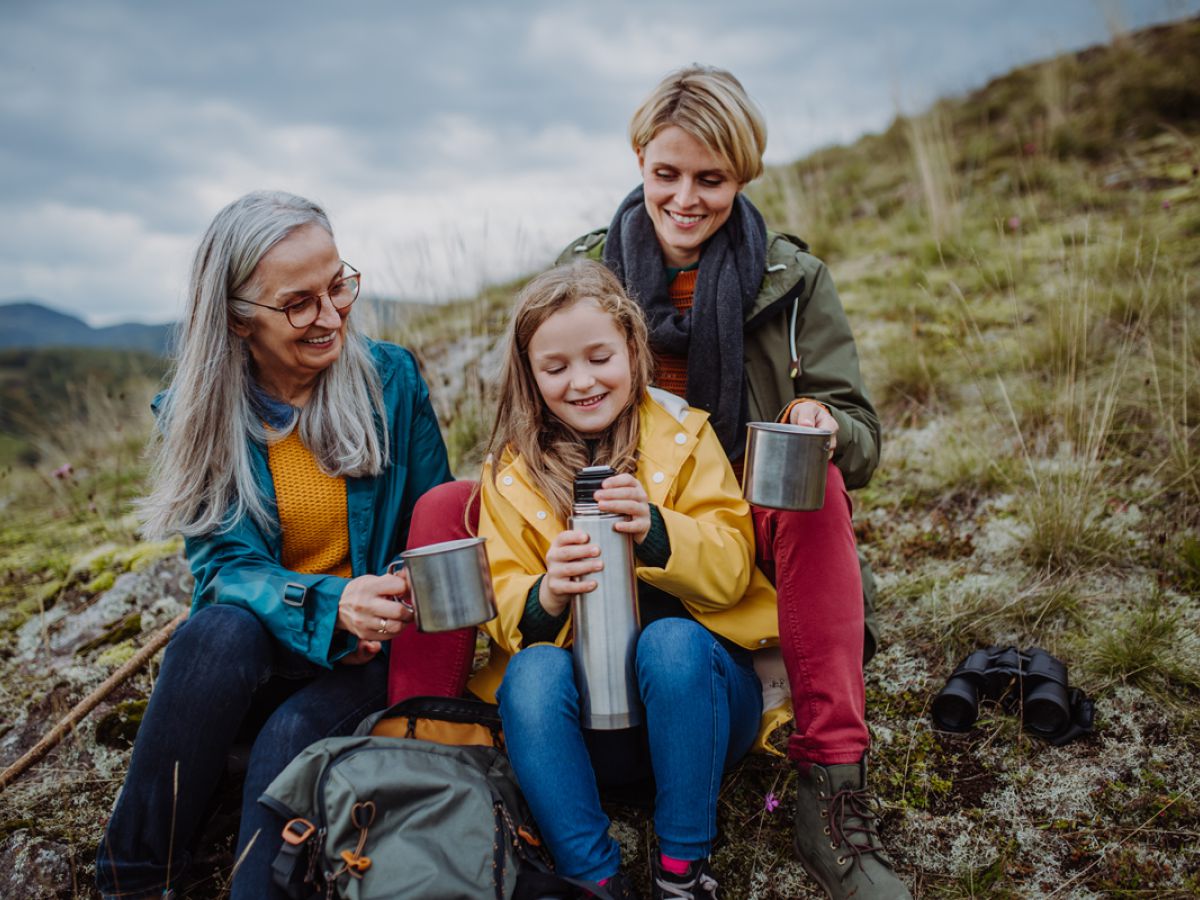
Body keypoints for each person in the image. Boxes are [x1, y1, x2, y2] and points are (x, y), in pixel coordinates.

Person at [556, 67, 909, 899]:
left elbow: (861, 437)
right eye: (666, 174)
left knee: (817, 488)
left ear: (743, 175)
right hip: (623, 515)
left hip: (742, 523)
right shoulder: (584, 273)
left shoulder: (793, 281)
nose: (685, 199)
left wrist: (826, 421)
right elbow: (537, 407)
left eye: (710, 180)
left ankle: (831, 788)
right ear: (640, 161)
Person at [95, 190, 475, 900]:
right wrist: (333, 605)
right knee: (213, 634)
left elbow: (435, 524)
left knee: (288, 737)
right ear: (238, 318)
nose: (331, 316)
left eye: (338, 286)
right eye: (299, 303)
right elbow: (225, 568)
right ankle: (132, 880)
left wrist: (383, 601)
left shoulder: (391, 380)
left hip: (370, 654)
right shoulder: (200, 413)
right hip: (266, 645)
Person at [467, 260, 777, 900]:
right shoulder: (510, 474)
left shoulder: (685, 437)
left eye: (599, 358)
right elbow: (501, 602)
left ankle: (682, 871)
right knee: (530, 673)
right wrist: (548, 591)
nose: (582, 381)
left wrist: (658, 530)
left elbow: (732, 568)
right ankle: (593, 876)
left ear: (634, 349)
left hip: (702, 714)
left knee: (672, 642)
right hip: (586, 737)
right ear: (530, 374)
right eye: (556, 367)